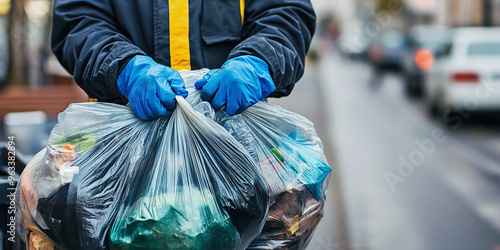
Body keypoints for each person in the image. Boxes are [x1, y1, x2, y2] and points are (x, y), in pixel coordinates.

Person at [51, 0, 316, 120]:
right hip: (126, 146)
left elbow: (285, 13)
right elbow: (79, 21)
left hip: (235, 141)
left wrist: (257, 61)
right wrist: (124, 67)